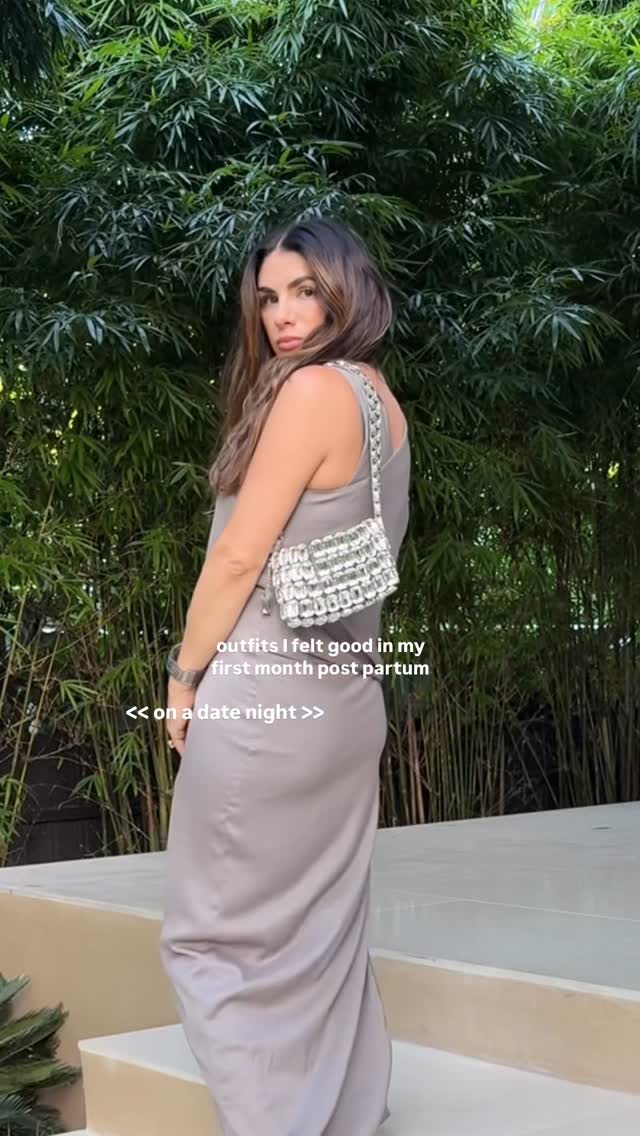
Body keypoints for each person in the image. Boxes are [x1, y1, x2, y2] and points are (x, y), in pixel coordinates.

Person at [159, 214, 411, 1136]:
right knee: (323, 933)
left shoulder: (309, 394)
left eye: (306, 291)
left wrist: (183, 676)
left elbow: (237, 561)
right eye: (269, 298)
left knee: (208, 939)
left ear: (351, 290)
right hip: (347, 708)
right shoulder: (380, 400)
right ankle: (345, 1117)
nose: (283, 316)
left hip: (265, 706)